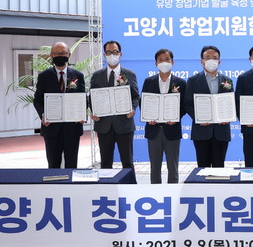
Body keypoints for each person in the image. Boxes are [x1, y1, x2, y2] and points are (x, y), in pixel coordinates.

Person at [33, 41, 86, 169]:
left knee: (72, 164)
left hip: (72, 127)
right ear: (51, 55)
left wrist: (82, 114)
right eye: (56, 53)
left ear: (69, 55)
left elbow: (83, 98)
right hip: (51, 127)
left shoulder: (78, 76)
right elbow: (38, 99)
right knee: (53, 165)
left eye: (63, 53)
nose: (60, 56)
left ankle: (71, 183)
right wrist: (43, 115)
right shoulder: (44, 76)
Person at [89, 40, 140, 169]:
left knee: (127, 163)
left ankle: (129, 182)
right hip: (103, 125)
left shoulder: (129, 74)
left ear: (120, 54)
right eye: (109, 52)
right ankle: (106, 183)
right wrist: (94, 112)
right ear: (104, 55)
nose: (112, 55)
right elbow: (92, 98)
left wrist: (132, 108)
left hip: (124, 124)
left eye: (115, 52)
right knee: (105, 163)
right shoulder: (96, 76)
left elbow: (135, 96)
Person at [141, 49, 186, 183]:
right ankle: (156, 192)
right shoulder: (148, 81)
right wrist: (148, 118)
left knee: (173, 167)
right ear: (156, 63)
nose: (164, 63)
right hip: (153, 130)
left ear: (172, 62)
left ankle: (173, 192)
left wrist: (176, 117)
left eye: (167, 59)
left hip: (172, 130)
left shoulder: (181, 83)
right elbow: (144, 102)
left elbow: (185, 105)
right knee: (154, 167)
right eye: (160, 60)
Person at [185, 45, 234, 167]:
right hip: (201, 131)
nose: (211, 60)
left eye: (214, 58)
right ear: (202, 61)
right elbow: (187, 103)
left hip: (221, 131)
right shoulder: (193, 80)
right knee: (202, 167)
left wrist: (228, 117)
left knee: (219, 167)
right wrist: (199, 118)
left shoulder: (227, 81)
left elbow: (231, 103)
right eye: (207, 58)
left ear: (219, 61)